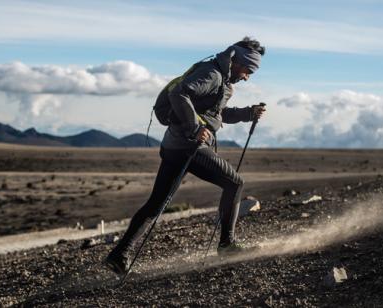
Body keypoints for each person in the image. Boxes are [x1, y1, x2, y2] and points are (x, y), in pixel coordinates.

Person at [105, 37, 267, 275]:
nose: (247, 77)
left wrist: (247, 113)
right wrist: (194, 128)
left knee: (157, 202)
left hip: (175, 145)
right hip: (189, 145)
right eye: (248, 70)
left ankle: (119, 255)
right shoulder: (213, 74)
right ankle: (227, 245)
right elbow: (180, 94)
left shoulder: (221, 78)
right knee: (235, 183)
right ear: (238, 62)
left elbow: (214, 113)